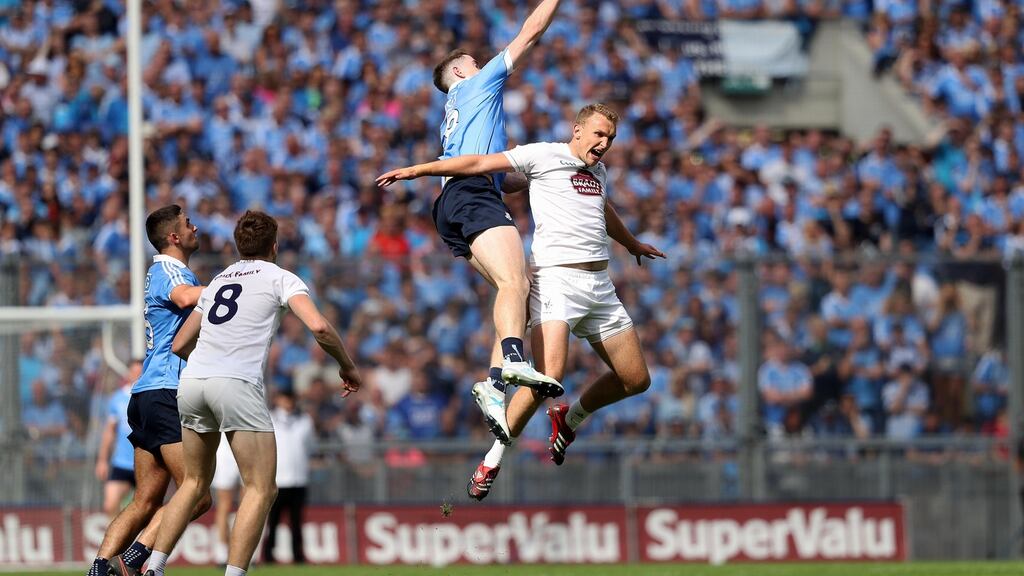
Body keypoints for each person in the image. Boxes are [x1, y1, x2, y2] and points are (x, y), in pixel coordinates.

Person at [377, 103, 665, 500]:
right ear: (577, 130)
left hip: (600, 285)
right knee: (549, 378)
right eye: (598, 134)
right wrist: (420, 170)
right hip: (556, 281)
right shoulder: (543, 154)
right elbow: (480, 162)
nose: (604, 143)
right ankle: (492, 459)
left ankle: (570, 420)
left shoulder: (597, 171)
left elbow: (602, 207)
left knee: (636, 379)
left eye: (610, 138)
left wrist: (630, 242)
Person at [145, 211, 361, 576]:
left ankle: (155, 566)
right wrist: (347, 366)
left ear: (239, 245)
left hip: (194, 383)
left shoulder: (218, 280)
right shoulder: (281, 278)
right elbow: (320, 327)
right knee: (261, 488)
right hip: (236, 384)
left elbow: (180, 343)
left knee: (194, 483)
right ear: (274, 245)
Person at [426, 0, 566, 444]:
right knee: (515, 284)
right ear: (463, 73)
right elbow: (531, 31)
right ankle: (511, 360)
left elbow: (504, 180)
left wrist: (543, 170)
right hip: (472, 195)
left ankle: (493, 384)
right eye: (475, 62)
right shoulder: (475, 88)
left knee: (517, 294)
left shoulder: (453, 116)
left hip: (454, 201)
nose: (484, 63)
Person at [89, 205, 211, 576]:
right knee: (198, 493)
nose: (195, 227)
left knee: (144, 500)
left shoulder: (163, 270)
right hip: (166, 392)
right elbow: (186, 298)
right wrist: (234, 286)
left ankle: (98, 569)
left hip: (147, 394)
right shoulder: (168, 269)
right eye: (187, 224)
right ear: (173, 237)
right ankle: (134, 558)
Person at [264, 389, 314, 565]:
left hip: (298, 478)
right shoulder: (269, 418)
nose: (288, 402)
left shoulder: (305, 420)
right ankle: (268, 554)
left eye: (291, 398)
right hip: (277, 479)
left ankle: (298, 555)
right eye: (285, 398)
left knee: (297, 520)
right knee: (273, 520)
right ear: (278, 399)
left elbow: (309, 446)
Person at [95, 360, 143, 519]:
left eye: (140, 372)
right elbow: (109, 431)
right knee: (110, 505)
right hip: (122, 463)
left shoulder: (150, 396)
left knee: (148, 509)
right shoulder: (117, 399)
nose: (136, 375)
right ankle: (118, 543)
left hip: (145, 463)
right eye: (134, 372)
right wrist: (102, 460)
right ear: (128, 374)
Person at [211, 435, 242, 565]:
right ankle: (223, 553)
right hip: (225, 450)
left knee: (250, 503)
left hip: (249, 446)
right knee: (224, 505)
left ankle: (244, 553)